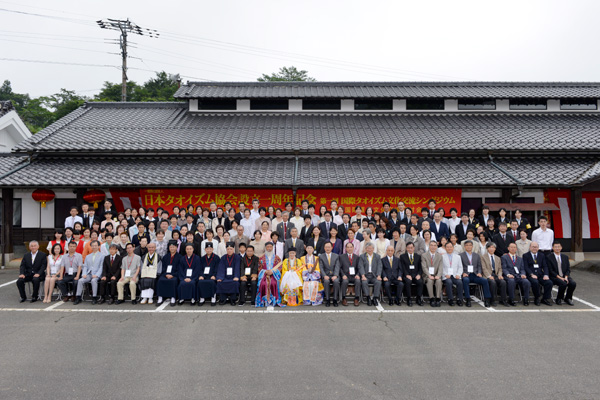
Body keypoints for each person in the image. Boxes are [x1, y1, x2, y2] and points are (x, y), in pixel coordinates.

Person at [460, 240, 492, 308]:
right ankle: (468, 299)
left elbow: (479, 266)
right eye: (467, 245)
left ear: (472, 246)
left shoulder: (477, 255)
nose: (468, 246)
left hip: (475, 275)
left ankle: (487, 299)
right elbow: (459, 266)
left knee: (484, 281)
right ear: (464, 246)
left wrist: (479, 272)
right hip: (466, 275)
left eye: (470, 245)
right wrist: (462, 273)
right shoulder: (461, 255)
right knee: (465, 281)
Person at [522, 241, 553, 306]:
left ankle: (545, 298)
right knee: (535, 282)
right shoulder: (525, 255)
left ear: (538, 248)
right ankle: (537, 298)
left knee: (549, 282)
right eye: (533, 247)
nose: (534, 248)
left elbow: (545, 266)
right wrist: (531, 274)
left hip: (540, 274)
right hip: (531, 275)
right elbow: (526, 267)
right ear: (530, 247)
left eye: (536, 247)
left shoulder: (542, 255)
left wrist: (546, 275)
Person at [74, 240, 103, 305]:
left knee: (93, 281)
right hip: (89, 273)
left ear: (99, 246)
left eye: (96, 245)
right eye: (93, 246)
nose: (94, 247)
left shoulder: (102, 256)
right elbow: (85, 266)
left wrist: (97, 275)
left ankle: (94, 297)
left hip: (96, 274)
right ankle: (78, 297)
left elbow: (101, 267)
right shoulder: (88, 256)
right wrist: (84, 274)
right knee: (80, 280)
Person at [547, 242, 576, 306]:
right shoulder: (549, 257)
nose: (557, 248)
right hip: (554, 276)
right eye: (555, 247)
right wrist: (560, 278)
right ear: (552, 248)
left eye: (558, 247)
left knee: (573, 283)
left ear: (561, 248)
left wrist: (566, 277)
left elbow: (568, 269)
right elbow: (550, 270)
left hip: (564, 276)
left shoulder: (565, 257)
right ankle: (559, 298)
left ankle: (568, 298)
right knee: (563, 283)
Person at [256, 241, 282, 307]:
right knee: (263, 284)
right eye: (268, 247)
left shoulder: (277, 258)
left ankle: (274, 300)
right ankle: (264, 301)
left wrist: (273, 272)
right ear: (265, 248)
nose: (269, 248)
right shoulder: (261, 258)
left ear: (273, 248)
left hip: (274, 275)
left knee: (273, 283)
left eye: (270, 247)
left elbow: (280, 267)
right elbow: (259, 268)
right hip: (264, 275)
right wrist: (265, 271)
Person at [480, 242, 507, 307]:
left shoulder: (498, 258)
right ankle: (492, 300)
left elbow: (500, 268)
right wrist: (489, 276)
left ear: (495, 249)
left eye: (493, 247)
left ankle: (503, 300)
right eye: (490, 247)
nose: (492, 249)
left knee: (503, 282)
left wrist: (500, 275)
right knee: (493, 282)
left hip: (496, 274)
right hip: (487, 275)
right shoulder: (483, 257)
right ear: (487, 249)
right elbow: (483, 268)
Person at [156, 240, 181, 307]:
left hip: (175, 274)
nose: (172, 248)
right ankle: (160, 297)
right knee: (160, 280)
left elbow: (180, 269)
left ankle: (173, 297)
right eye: (170, 247)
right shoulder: (165, 257)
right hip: (166, 274)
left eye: (173, 247)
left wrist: (173, 275)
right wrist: (166, 274)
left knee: (173, 281)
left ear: (176, 247)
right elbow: (163, 268)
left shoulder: (180, 257)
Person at [358, 242, 383, 307]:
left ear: (373, 249)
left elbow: (379, 266)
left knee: (378, 282)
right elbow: (361, 266)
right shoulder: (362, 256)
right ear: (366, 249)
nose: (369, 250)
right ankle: (368, 297)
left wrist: (378, 275)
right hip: (366, 275)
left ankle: (375, 298)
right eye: (368, 248)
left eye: (371, 248)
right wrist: (363, 276)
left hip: (374, 275)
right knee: (364, 282)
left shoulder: (377, 256)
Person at [195, 242, 219, 306]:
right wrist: (201, 275)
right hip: (204, 276)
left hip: (212, 276)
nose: (209, 250)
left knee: (212, 282)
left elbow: (217, 268)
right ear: (205, 250)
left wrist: (214, 275)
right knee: (200, 282)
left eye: (210, 249)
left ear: (213, 249)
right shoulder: (202, 258)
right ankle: (202, 298)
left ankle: (213, 297)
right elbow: (200, 268)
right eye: (207, 249)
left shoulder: (216, 258)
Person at [400, 242, 423, 306]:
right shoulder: (402, 256)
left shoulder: (418, 256)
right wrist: (406, 274)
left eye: (411, 248)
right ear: (406, 248)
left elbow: (420, 267)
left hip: (416, 275)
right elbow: (402, 267)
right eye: (408, 248)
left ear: (414, 248)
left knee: (420, 282)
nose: (410, 249)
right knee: (408, 282)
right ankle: (409, 299)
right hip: (407, 275)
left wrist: (419, 274)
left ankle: (418, 298)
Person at [442, 241, 464, 306]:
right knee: (449, 282)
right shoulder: (442, 257)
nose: (449, 248)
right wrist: (445, 274)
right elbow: (441, 267)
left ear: (453, 247)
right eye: (447, 247)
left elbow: (460, 267)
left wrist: (458, 274)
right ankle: (450, 299)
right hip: (446, 275)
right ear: (445, 248)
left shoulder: (458, 257)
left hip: (455, 275)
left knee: (459, 282)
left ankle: (459, 299)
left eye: (450, 247)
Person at [421, 241, 443, 307]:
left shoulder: (439, 256)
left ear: (436, 247)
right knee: (430, 281)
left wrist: (438, 275)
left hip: (436, 275)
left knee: (439, 281)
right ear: (429, 246)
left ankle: (438, 298)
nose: (433, 247)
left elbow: (440, 267)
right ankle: (432, 298)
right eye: (431, 245)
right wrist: (429, 275)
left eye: (434, 245)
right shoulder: (424, 255)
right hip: (427, 275)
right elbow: (424, 267)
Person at [319, 241, 341, 307]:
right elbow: (321, 267)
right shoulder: (321, 256)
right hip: (326, 275)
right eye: (326, 247)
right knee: (326, 282)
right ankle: (327, 299)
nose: (327, 248)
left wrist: (336, 275)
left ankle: (335, 299)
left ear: (332, 247)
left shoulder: (336, 256)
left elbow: (337, 266)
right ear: (324, 248)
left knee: (336, 281)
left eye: (329, 247)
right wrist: (324, 275)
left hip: (334, 274)